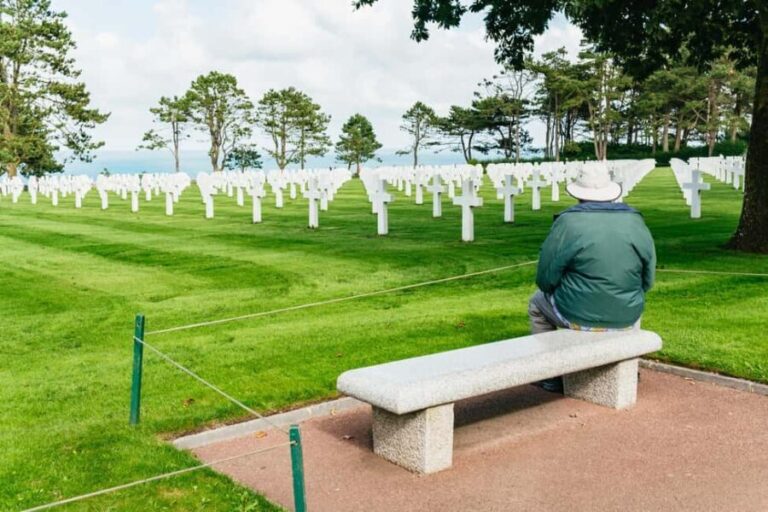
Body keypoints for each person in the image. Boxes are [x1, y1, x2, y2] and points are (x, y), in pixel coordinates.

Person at [529, 162, 656, 391]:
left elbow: (545, 278)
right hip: (627, 313)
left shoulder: (567, 222)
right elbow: (647, 279)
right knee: (633, 300)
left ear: (578, 194)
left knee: (537, 305)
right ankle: (630, 368)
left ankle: (550, 374)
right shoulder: (636, 221)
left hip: (576, 312)